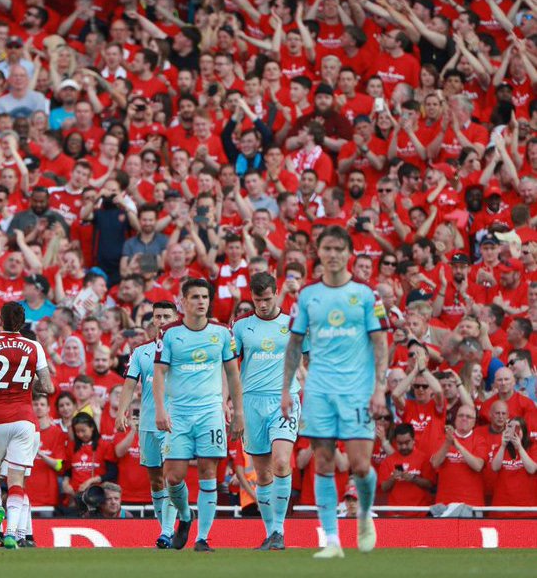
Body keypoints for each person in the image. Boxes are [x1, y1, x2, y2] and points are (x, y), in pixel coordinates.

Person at [282, 225, 389, 558]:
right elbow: (295, 344)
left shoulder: (367, 295)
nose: (332, 255)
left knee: (359, 465)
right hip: (319, 390)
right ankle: (332, 540)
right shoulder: (308, 296)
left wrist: (379, 388)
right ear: (320, 253)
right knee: (324, 463)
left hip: (357, 391)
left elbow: (380, 342)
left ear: (349, 253)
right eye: (326, 249)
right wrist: (286, 388)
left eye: (338, 249)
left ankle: (364, 515)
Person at [154, 278, 244, 552]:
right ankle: (184, 515)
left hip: (210, 412)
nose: (201, 301)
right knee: (173, 476)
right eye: (195, 297)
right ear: (182, 302)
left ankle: (202, 538)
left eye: (205, 297)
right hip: (178, 413)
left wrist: (236, 410)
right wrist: (160, 408)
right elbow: (159, 372)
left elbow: (232, 373)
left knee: (208, 471)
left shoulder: (222, 333)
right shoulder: (169, 333)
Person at [0, 302, 55, 549]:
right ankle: (12, 534)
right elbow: (48, 387)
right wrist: (27, 385)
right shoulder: (34, 346)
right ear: (22, 322)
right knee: (17, 480)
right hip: (25, 419)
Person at [232, 272, 299, 550]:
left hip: (284, 399)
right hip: (251, 402)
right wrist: (231, 404)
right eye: (258, 300)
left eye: (267, 299)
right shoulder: (241, 326)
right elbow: (230, 367)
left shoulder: (293, 324)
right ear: (252, 297)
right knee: (261, 474)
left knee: (281, 462)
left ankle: (280, 530)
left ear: (276, 293)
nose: (262, 305)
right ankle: (271, 532)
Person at [116, 300, 179, 548]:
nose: (162, 320)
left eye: (166, 316)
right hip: (148, 424)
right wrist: (122, 411)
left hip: (174, 424)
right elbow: (130, 384)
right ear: (152, 320)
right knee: (155, 480)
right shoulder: (141, 352)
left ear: (175, 318)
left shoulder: (183, 349)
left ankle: (166, 532)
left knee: (172, 476)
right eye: (158, 316)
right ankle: (166, 529)